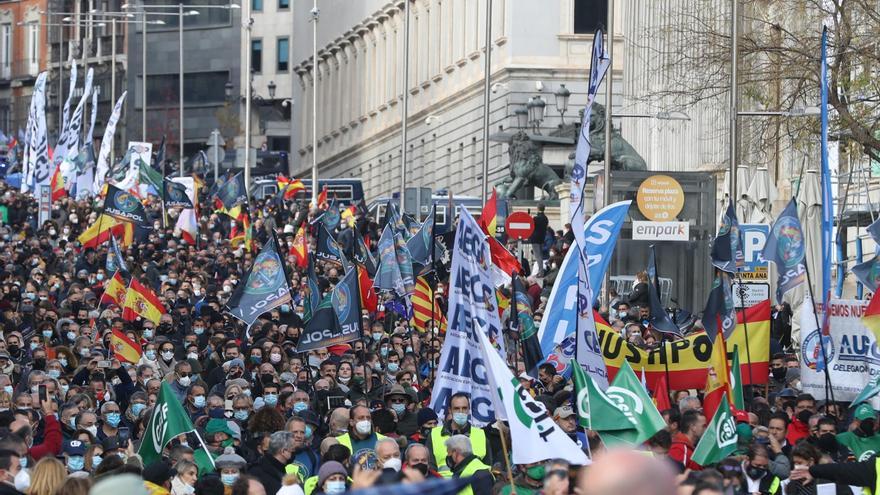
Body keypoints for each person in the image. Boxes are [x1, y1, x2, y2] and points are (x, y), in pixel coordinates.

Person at [425, 393, 491, 477]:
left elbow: (488, 468)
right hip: (444, 486)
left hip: (471, 486)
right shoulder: (434, 434)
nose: (461, 412)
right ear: (450, 410)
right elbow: (430, 469)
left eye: (464, 408)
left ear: (469, 410)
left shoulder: (481, 435)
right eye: (456, 408)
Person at [248, 431, 295, 495]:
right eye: (292, 449)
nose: (294, 452)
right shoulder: (256, 472)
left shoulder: (281, 470)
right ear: (283, 451)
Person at [529, 204, 549, 276]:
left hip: (535, 239)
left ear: (537, 209)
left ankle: (541, 272)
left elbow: (531, 227)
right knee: (539, 255)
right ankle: (541, 271)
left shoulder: (536, 218)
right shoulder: (545, 218)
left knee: (538, 256)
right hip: (542, 238)